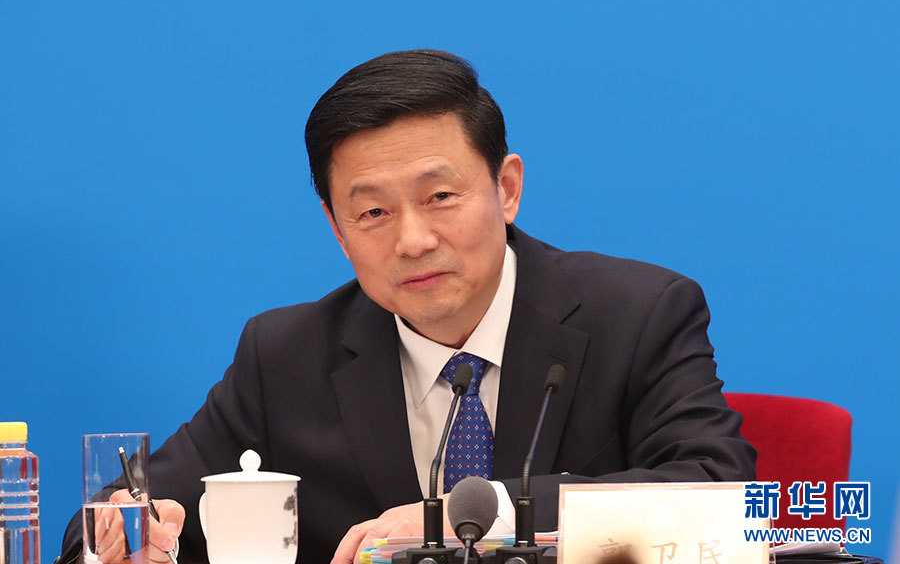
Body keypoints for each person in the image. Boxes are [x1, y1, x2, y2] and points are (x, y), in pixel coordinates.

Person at [60, 49, 756, 564]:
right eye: (373, 212)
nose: (413, 240)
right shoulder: (285, 356)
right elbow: (109, 521)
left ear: (507, 190)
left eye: (440, 197)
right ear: (337, 230)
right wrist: (126, 535)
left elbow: (716, 491)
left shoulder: (636, 315)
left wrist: (471, 514)